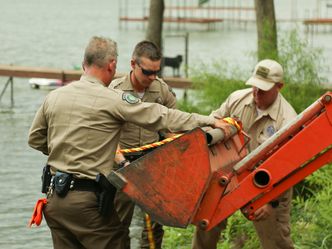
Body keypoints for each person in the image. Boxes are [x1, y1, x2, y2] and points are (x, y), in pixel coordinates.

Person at [28, 36, 233, 249]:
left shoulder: (54, 96)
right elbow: (164, 116)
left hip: (54, 200)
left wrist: (67, 153)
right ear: (112, 65)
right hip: (88, 200)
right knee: (118, 241)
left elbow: (35, 139)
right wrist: (211, 121)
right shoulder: (113, 97)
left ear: (84, 64)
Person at [192, 59, 297, 249]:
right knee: (206, 224)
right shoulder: (237, 99)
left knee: (276, 240)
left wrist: (270, 202)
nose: (256, 93)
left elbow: (287, 168)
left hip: (267, 184)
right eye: (255, 86)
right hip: (229, 175)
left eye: (263, 89)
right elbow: (213, 122)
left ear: (279, 87)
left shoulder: (288, 120)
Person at [109, 40, 176, 249]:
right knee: (118, 224)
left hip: (153, 163)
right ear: (133, 64)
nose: (152, 77)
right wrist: (121, 163)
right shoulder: (114, 91)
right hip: (121, 164)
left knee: (155, 226)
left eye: (156, 72)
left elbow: (171, 127)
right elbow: (105, 136)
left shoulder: (161, 90)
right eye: (147, 72)